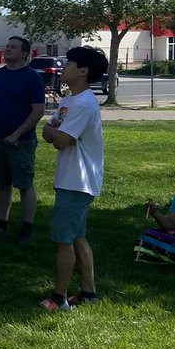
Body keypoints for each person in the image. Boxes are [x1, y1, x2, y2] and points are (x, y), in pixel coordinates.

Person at [39, 45, 108, 311]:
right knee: (78, 237)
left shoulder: (84, 103)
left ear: (83, 71)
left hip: (77, 181)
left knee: (63, 240)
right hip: (69, 179)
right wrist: (54, 131)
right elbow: (46, 131)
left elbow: (61, 140)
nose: (63, 68)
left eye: (69, 64)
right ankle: (89, 292)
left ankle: (59, 298)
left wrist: (55, 132)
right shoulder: (68, 100)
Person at [0, 36, 46, 243]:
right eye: (7, 46)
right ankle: (1, 224)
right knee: (2, 184)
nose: (7, 49)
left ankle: (27, 228)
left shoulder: (32, 78)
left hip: (21, 142)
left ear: (25, 54)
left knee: (25, 185)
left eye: (13, 47)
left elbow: (38, 111)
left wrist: (16, 134)